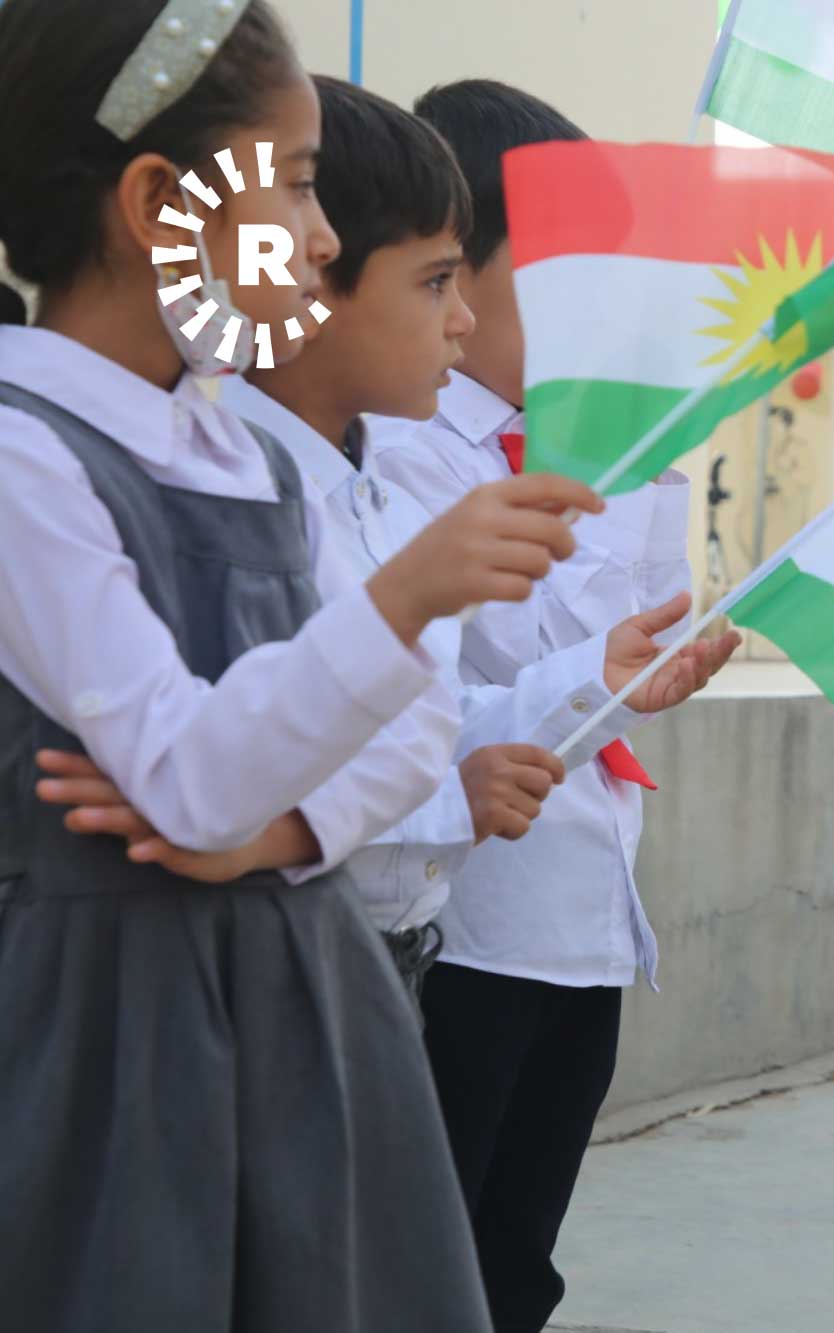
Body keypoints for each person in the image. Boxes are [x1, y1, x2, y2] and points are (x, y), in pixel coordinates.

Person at [0, 2, 604, 1324]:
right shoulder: (25, 455)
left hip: (308, 1008)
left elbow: (406, 731)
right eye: (292, 183)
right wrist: (399, 599)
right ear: (157, 204)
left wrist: (270, 840)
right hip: (112, 1043)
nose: (322, 236)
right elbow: (188, 776)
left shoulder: (243, 449)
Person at [221, 76, 736, 1003]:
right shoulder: (368, 461)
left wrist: (601, 675)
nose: (455, 314)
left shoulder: (367, 479)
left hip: (503, 918)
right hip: (436, 939)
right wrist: (447, 799)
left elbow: (441, 715)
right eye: (436, 281)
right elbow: (221, 783)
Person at [369, 76, 722, 1333]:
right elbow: (458, 681)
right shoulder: (405, 451)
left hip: (581, 903)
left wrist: (642, 651)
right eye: (555, 273)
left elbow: (625, 648)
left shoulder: (595, 443)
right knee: (428, 1255)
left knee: (520, 1253)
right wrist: (598, 664)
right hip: (463, 918)